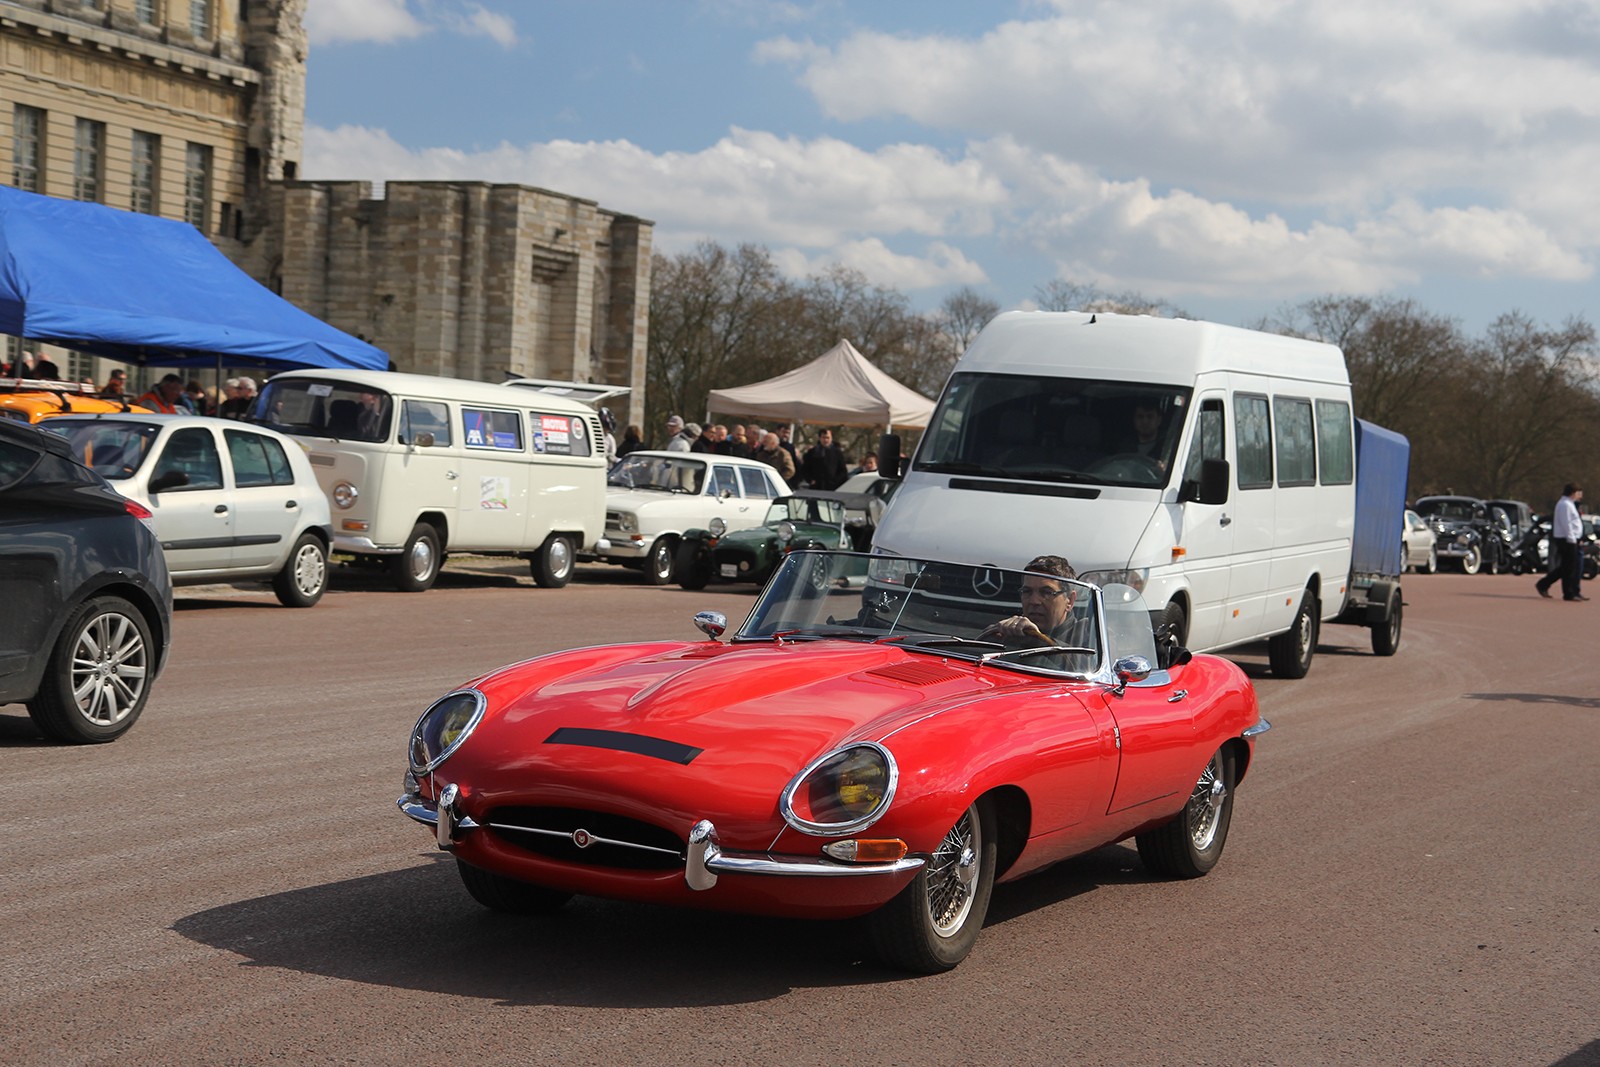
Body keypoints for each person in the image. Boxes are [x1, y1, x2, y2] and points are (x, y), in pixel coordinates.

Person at [1536, 483, 1587, 602]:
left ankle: (1544, 584)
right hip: (1566, 539)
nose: (1580, 495)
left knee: (1566, 567)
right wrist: (1572, 539)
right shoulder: (1565, 505)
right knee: (1569, 568)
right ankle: (1567, 593)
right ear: (1573, 493)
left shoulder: (1568, 504)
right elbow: (1566, 523)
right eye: (1578, 493)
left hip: (1569, 538)